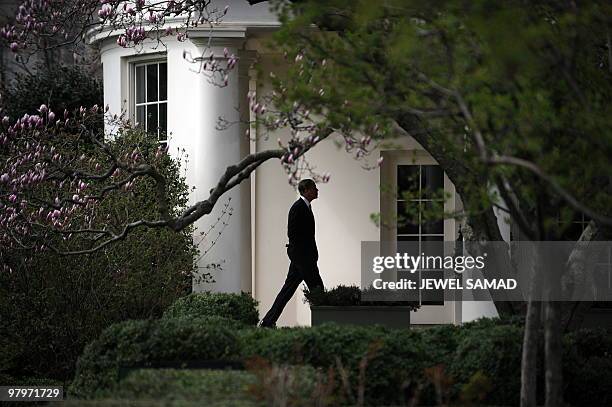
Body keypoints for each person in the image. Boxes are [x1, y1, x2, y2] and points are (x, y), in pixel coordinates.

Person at [259, 178, 324, 328]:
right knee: (318, 291)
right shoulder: (298, 207)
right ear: (306, 190)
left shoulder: (305, 207)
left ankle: (268, 321)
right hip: (303, 260)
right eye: (314, 188)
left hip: (303, 259)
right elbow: (293, 234)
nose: (317, 190)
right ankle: (324, 325)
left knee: (287, 291)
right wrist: (300, 257)